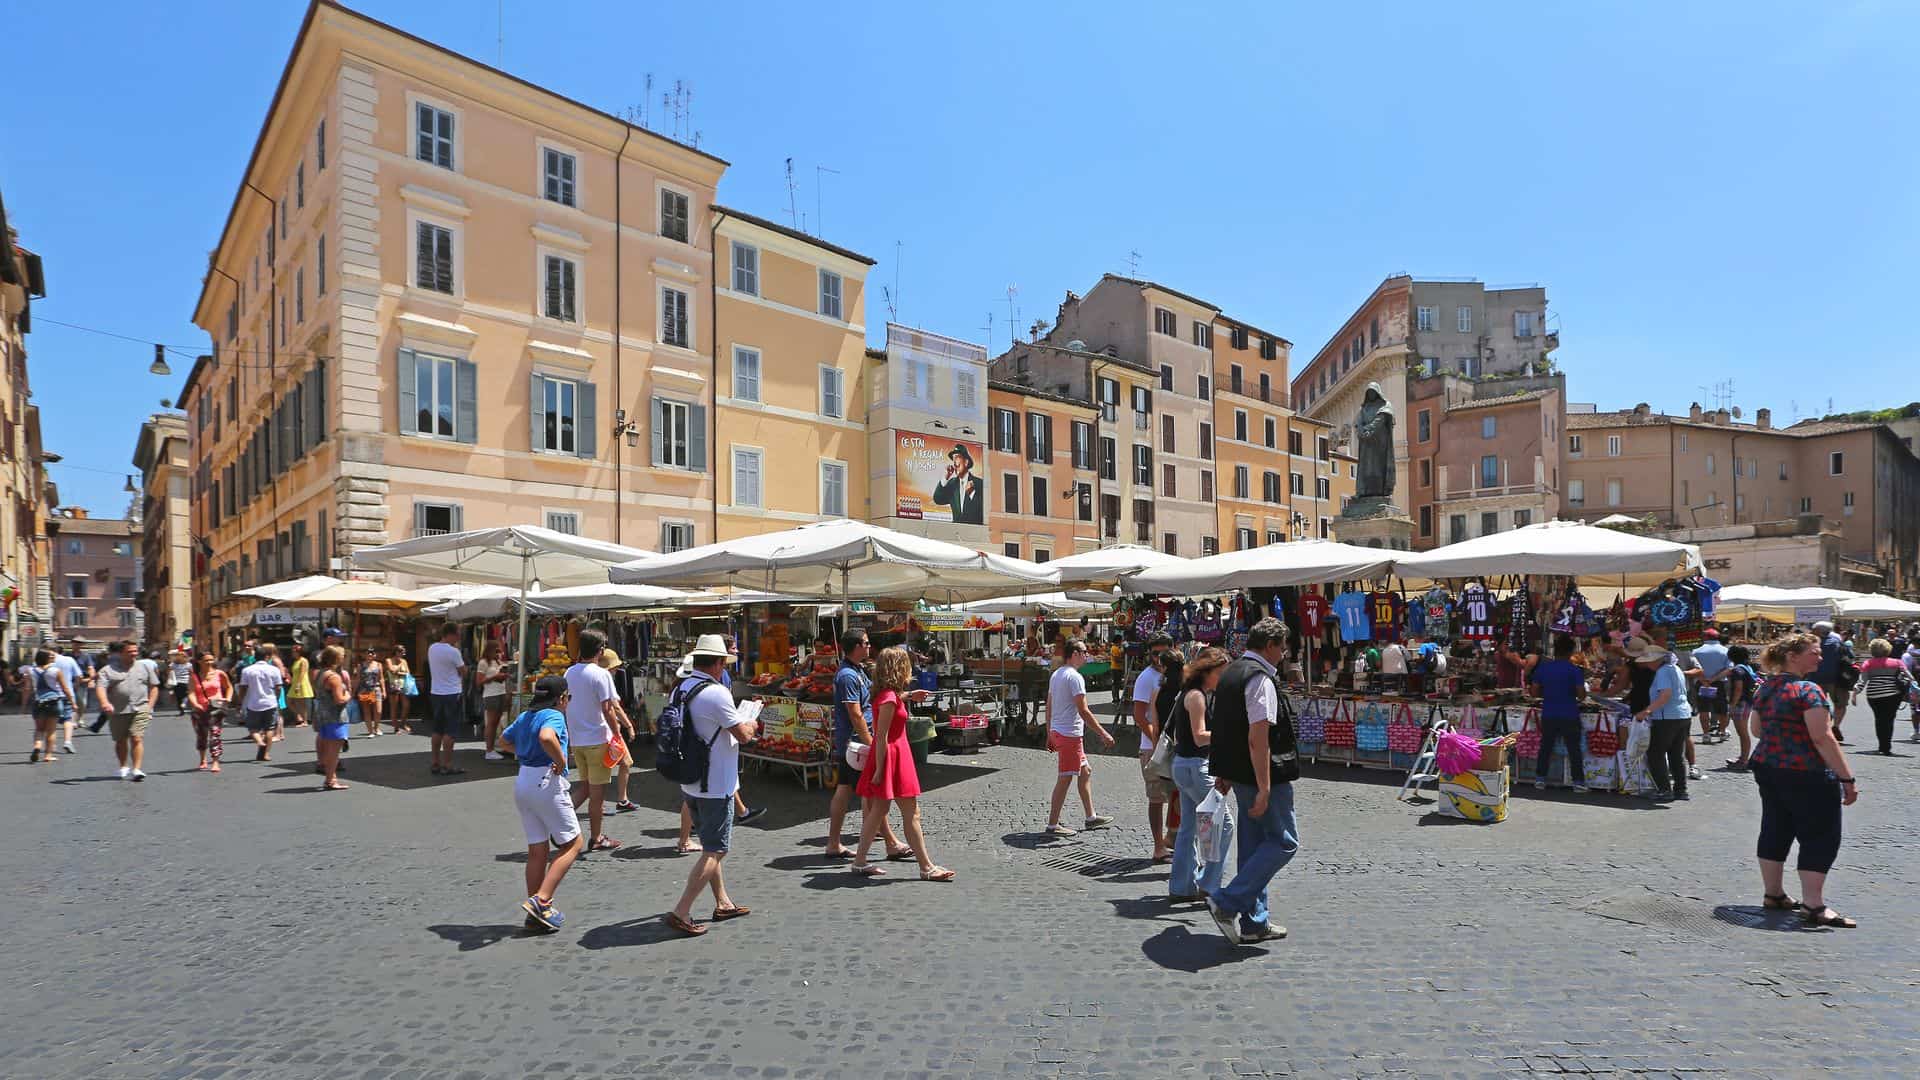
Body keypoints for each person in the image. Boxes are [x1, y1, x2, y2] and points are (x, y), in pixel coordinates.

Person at [1748, 633, 1860, 928]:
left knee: (1775, 826)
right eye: (1815, 652)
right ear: (1793, 656)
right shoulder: (1809, 690)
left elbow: (1757, 730)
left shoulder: (1766, 687)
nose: (1820, 657)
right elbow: (1823, 738)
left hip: (1768, 767)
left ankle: (1773, 895)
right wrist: (1846, 777)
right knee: (1820, 835)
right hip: (1805, 770)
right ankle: (1813, 905)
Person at [1204, 618, 1297, 945]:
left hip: (1239, 774)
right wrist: (1265, 786)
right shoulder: (1260, 680)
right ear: (1270, 645)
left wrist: (1224, 771)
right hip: (1260, 774)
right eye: (1282, 647)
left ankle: (1256, 922)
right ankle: (1227, 902)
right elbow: (1258, 738)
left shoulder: (1230, 673)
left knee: (1254, 844)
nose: (1284, 654)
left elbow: (1224, 728)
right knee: (1285, 841)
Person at [667, 636, 761, 937]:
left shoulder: (680, 689)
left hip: (691, 781)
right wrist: (753, 721)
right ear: (719, 664)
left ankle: (723, 902)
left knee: (709, 843)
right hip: (716, 782)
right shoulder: (716, 693)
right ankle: (682, 911)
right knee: (716, 849)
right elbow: (743, 734)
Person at [850, 646, 955, 881]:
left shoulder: (887, 694)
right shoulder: (889, 698)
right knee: (910, 813)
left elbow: (889, 709)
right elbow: (881, 736)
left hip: (892, 756)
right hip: (892, 757)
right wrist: (878, 770)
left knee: (879, 811)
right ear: (899, 669)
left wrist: (909, 696)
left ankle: (859, 862)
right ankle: (926, 867)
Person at [503, 676, 584, 933]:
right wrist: (560, 760)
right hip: (546, 783)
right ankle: (542, 900)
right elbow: (547, 737)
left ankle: (535, 911)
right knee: (573, 843)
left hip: (523, 779)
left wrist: (526, 750)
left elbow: (503, 741)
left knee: (537, 849)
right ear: (561, 698)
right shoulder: (554, 715)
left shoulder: (526, 715)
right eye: (568, 698)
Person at [824, 629, 908, 861]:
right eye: (867, 643)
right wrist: (872, 743)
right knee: (872, 793)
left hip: (853, 742)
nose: (870, 646)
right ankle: (889, 843)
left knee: (846, 790)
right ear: (857, 645)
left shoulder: (857, 671)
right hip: (858, 743)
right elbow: (855, 713)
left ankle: (834, 843)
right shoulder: (848, 676)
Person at [1167, 647, 1232, 902]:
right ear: (1207, 672)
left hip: (1184, 765)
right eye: (1221, 673)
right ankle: (1208, 882)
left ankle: (1181, 886)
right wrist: (1230, 736)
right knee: (1223, 825)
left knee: (1189, 827)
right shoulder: (1196, 697)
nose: (1223, 679)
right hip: (1196, 766)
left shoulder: (1192, 693)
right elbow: (1199, 736)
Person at [564, 629, 630, 853]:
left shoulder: (569, 673)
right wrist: (618, 734)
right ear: (601, 650)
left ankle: (560, 822)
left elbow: (566, 705)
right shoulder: (600, 674)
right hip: (597, 739)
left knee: (585, 787)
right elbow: (608, 708)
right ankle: (596, 837)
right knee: (597, 795)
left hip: (578, 740)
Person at [1043, 638, 1116, 836]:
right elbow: (1084, 711)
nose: (1087, 655)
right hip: (1069, 735)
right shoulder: (1074, 677)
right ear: (1074, 654)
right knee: (1065, 778)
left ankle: (1091, 817)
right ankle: (1052, 824)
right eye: (1084, 651)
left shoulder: (1057, 674)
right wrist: (1104, 733)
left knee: (1085, 772)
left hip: (1061, 732)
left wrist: (1050, 732)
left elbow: (1049, 705)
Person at [1629, 638, 1694, 801]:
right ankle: (1681, 790)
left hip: (1667, 717)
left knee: (1655, 753)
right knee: (1676, 754)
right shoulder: (1675, 668)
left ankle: (1664, 789)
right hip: (1682, 714)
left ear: (1656, 660)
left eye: (1649, 661)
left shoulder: (1663, 671)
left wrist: (1647, 711)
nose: (1648, 664)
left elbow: (1665, 695)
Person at [1131, 632, 1175, 862]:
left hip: (1172, 747)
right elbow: (1139, 715)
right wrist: (1156, 739)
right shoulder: (1146, 678)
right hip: (1152, 747)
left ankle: (1170, 839)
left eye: (1163, 653)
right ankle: (1159, 847)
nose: (1158, 658)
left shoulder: (1174, 674)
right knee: (1156, 799)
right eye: (1154, 653)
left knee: (1175, 797)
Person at [1526, 635, 1591, 791]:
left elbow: (1533, 692)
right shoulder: (1575, 671)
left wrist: (1548, 692)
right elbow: (1581, 695)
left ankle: (1540, 779)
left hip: (1549, 713)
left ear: (1555, 650)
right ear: (1571, 652)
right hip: (1569, 713)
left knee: (1546, 747)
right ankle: (1578, 782)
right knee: (1573, 748)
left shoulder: (1543, 668)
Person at [95, 640, 163, 782]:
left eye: (135, 651)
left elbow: (154, 687)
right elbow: (100, 687)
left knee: (136, 737)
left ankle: (137, 769)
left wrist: (150, 707)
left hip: (141, 707)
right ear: (121, 653)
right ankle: (123, 766)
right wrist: (105, 703)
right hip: (118, 710)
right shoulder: (107, 670)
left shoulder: (145, 667)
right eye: (129, 651)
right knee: (120, 740)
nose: (134, 654)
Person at [1851, 638, 1913, 755]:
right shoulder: (1897, 662)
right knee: (1889, 719)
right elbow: (1910, 677)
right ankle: (1886, 746)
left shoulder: (1868, 663)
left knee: (1879, 719)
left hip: (1874, 695)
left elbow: (1861, 681)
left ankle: (1882, 746)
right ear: (1887, 649)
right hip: (1893, 695)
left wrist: (1854, 694)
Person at [425, 626, 468, 776]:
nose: (459, 638)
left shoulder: (432, 648)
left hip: (436, 692)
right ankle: (447, 764)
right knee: (450, 731)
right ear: (450, 635)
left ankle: (435, 762)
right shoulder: (453, 652)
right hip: (452, 693)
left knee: (437, 729)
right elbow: (464, 671)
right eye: (457, 635)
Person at [311, 645, 352, 791]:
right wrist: (348, 695)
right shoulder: (334, 677)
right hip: (335, 717)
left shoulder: (320, 673)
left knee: (328, 747)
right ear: (337, 659)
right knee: (334, 751)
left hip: (322, 714)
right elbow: (339, 700)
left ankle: (331, 778)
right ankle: (330, 780)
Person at [237, 643, 287, 763]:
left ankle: (259, 741)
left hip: (253, 703)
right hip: (270, 702)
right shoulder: (274, 670)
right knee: (269, 729)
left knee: (253, 728)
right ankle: (266, 754)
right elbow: (279, 687)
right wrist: (276, 698)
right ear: (267, 657)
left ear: (255, 657)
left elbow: (243, 688)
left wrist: (240, 702)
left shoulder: (247, 670)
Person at [185, 651, 232, 773]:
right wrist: (195, 704)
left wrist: (228, 698)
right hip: (200, 709)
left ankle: (215, 761)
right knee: (202, 735)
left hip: (216, 709)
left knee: (215, 734)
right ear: (199, 662)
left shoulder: (219, 674)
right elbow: (191, 692)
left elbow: (228, 687)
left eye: (211, 659)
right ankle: (202, 759)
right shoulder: (194, 676)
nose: (210, 662)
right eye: (206, 660)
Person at [26, 649, 75, 765]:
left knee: (39, 729)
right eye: (51, 656)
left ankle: (37, 746)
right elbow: (65, 688)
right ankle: (48, 755)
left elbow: (27, 689)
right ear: (46, 658)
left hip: (38, 702)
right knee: (51, 731)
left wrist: (24, 704)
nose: (53, 657)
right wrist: (73, 702)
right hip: (54, 702)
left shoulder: (30, 671)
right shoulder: (56, 671)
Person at [1811, 621, 1855, 742]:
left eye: (1813, 630)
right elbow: (1850, 657)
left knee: (1817, 704)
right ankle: (1835, 726)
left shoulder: (1811, 643)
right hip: (1837, 679)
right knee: (1840, 704)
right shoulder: (1837, 642)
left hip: (1815, 679)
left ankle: (1823, 726)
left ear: (1818, 631)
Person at [1689, 629, 1732, 743]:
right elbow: (1729, 668)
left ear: (1705, 638)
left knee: (1703, 709)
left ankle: (1706, 734)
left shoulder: (1696, 651)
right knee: (1722, 709)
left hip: (1702, 683)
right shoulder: (1725, 651)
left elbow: (1693, 668)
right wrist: (1714, 679)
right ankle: (1722, 732)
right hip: (1719, 683)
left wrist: (1703, 680)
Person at [475, 639, 513, 762]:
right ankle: (489, 750)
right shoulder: (483, 662)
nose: (499, 652)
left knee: (496, 722)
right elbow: (479, 681)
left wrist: (503, 676)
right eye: (497, 650)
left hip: (500, 693)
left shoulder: (497, 661)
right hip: (491, 695)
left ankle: (492, 748)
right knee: (491, 723)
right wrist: (495, 677)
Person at [1723, 644, 1759, 771]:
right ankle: (1743, 758)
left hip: (1740, 703)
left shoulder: (1737, 670)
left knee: (1742, 733)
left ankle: (1744, 760)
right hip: (1747, 702)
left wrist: (1732, 704)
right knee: (1742, 732)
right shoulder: (1747, 667)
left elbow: (1738, 688)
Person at [929, 444, 984, 524]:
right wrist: (945, 478)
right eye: (953, 459)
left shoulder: (979, 483)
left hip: (973, 533)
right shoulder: (952, 484)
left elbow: (985, 511)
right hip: (955, 532)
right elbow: (937, 499)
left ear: (966, 462)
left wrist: (972, 494)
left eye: (957, 458)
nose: (954, 463)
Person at [51, 644, 84, 752]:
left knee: (52, 720)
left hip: (51, 695)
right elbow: (79, 676)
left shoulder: (43, 661)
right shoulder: (69, 660)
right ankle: (67, 742)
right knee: (68, 719)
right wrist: (76, 686)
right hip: (67, 693)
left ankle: (52, 744)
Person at [355, 645, 386, 738]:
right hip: (364, 689)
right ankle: (370, 731)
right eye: (368, 652)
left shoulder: (379, 665)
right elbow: (358, 679)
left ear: (375, 654)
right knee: (367, 711)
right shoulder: (360, 665)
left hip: (376, 689)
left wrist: (384, 690)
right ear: (365, 654)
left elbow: (381, 678)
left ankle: (376, 727)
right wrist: (354, 691)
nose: (370, 654)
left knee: (378, 710)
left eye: (372, 652)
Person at [385, 644, 413, 735]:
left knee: (406, 705)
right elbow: (392, 670)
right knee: (394, 707)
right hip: (394, 685)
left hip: (404, 684)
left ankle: (403, 723)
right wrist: (400, 668)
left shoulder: (404, 661)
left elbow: (408, 673)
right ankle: (396, 727)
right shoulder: (389, 660)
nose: (403, 654)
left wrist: (399, 672)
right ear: (396, 652)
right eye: (402, 652)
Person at [168, 650, 194, 714]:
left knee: (178, 697)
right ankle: (184, 703)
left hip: (176, 682)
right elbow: (191, 673)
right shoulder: (189, 664)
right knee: (187, 694)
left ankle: (181, 710)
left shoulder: (172, 664)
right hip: (186, 682)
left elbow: (169, 673)